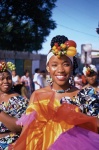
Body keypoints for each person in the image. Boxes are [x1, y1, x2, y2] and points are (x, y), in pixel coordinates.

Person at [9, 35, 99, 150]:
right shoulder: (37, 95)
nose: (60, 70)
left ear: (72, 67)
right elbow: (27, 131)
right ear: (48, 67)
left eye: (66, 64)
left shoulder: (86, 95)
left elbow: (93, 131)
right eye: (54, 65)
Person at [0, 61, 29, 150]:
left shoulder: (19, 100)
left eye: (8, 78)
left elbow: (20, 127)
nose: (6, 81)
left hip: (11, 145)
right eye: (2, 78)